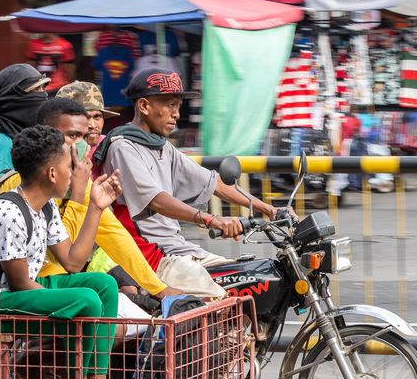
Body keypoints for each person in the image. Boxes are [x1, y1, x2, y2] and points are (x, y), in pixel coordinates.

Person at [0, 125, 134, 379]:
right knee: (85, 298)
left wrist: (95, 207)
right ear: (52, 174)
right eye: (70, 165)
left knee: (103, 286)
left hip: (23, 290)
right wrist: (66, 301)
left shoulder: (45, 207)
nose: (76, 171)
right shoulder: (9, 214)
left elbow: (72, 262)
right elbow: (20, 284)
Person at [94, 68, 282, 297]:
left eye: (178, 106)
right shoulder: (124, 147)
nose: (176, 114)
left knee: (252, 282)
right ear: (143, 106)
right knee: (224, 302)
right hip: (154, 257)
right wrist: (213, 220)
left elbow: (214, 183)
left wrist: (268, 209)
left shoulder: (161, 146)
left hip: (180, 250)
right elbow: (156, 200)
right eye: (169, 105)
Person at [34, 94, 181, 304]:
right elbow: (67, 258)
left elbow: (113, 233)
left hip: (65, 280)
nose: (81, 145)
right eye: (72, 136)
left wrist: (158, 287)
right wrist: (78, 196)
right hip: (39, 283)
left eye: (83, 137)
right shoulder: (32, 182)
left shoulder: (79, 182)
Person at [0, 64, 49, 185]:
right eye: (35, 90)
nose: (42, 95)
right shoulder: (4, 147)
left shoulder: (37, 139)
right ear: (14, 101)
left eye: (43, 88)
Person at [56, 80, 120, 161]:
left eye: (97, 116)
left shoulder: (112, 147)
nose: (93, 125)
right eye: (85, 117)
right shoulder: (51, 153)